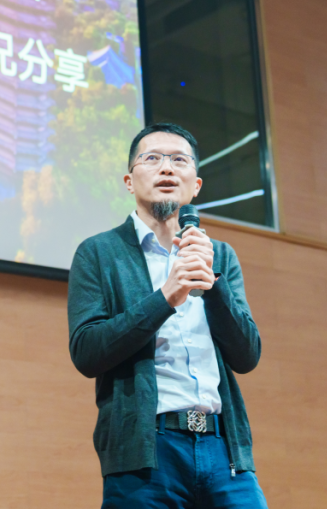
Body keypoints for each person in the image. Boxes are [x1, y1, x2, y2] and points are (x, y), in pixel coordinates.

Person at [67, 122, 267, 509]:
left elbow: (247, 356)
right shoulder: (98, 253)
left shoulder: (219, 255)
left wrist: (214, 286)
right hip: (146, 453)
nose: (166, 168)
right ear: (129, 181)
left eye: (179, 160)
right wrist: (165, 298)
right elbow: (87, 351)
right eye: (152, 158)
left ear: (196, 185)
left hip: (224, 448)